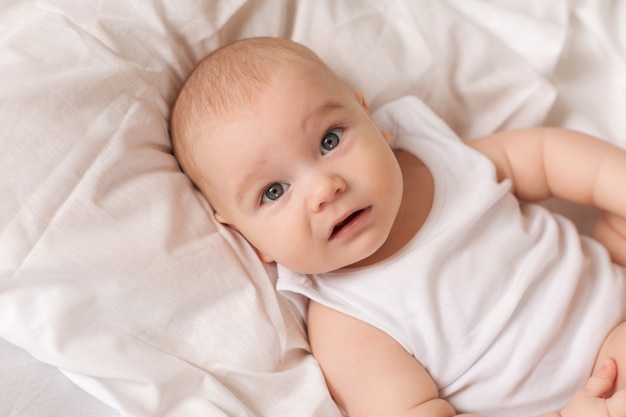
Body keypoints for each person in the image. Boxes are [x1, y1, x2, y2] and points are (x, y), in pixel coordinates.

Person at [170, 37, 626, 417]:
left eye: (330, 140)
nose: (324, 189)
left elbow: (548, 157)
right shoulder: (348, 322)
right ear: (250, 239)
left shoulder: (440, 159)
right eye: (273, 191)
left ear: (370, 120)